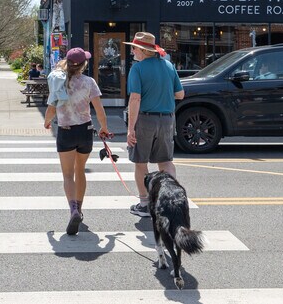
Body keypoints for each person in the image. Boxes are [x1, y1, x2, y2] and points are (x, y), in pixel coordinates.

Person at [44, 47, 111, 235]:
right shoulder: (89, 82)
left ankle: (72, 209)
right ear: (84, 64)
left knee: (67, 174)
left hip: (66, 131)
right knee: (80, 170)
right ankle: (79, 209)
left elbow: (51, 108)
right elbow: (99, 110)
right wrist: (104, 128)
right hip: (85, 131)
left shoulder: (59, 82)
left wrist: (47, 122)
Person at [123, 32, 184, 217]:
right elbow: (180, 94)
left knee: (140, 162)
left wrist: (130, 129)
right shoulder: (168, 66)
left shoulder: (138, 69)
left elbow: (135, 99)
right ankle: (170, 201)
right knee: (165, 161)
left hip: (145, 119)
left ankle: (144, 203)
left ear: (141, 50)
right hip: (167, 119)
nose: (132, 50)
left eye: (133, 47)